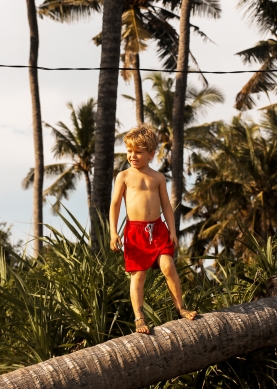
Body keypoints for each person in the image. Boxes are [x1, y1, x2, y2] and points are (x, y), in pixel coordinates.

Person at [109, 124, 197, 334]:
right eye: (129, 151)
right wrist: (114, 232)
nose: (133, 156)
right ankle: (139, 318)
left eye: (138, 152)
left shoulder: (158, 177)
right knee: (138, 276)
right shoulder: (124, 176)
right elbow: (115, 204)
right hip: (135, 232)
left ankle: (180, 308)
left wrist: (172, 231)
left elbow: (166, 205)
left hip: (158, 230)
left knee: (168, 267)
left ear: (151, 154)